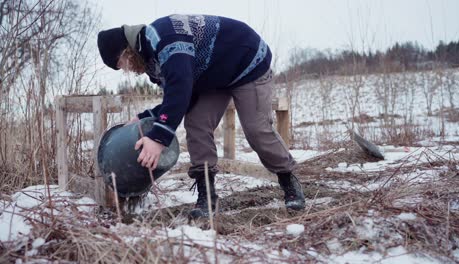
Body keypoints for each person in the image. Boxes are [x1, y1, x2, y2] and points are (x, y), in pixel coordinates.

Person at [97, 14, 305, 218]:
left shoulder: (165, 39)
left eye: (121, 63)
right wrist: (145, 117)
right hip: (213, 77)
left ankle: (288, 180)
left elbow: (180, 91)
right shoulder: (152, 62)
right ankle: (207, 196)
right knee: (197, 125)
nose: (126, 70)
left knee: (256, 129)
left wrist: (158, 138)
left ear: (127, 50)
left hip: (247, 63)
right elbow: (181, 97)